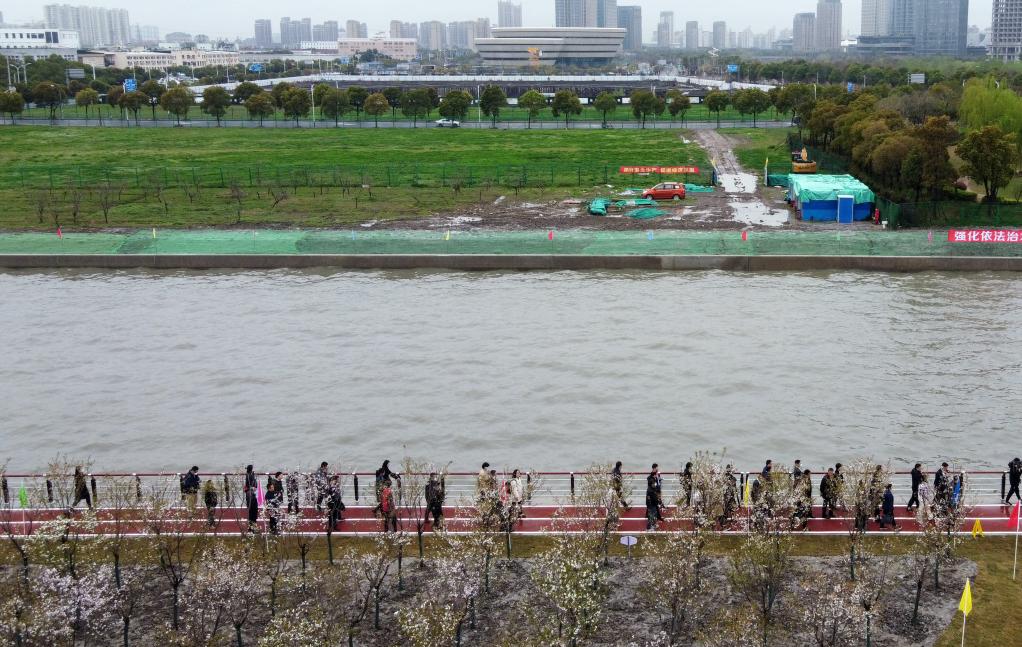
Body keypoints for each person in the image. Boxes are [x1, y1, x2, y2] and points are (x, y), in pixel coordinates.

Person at [243, 465, 258, 533]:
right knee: (253, 514)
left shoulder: (248, 475)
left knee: (252, 514)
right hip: (252, 500)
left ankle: (251, 528)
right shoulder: (249, 476)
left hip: (251, 498)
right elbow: (253, 483)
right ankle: (252, 528)